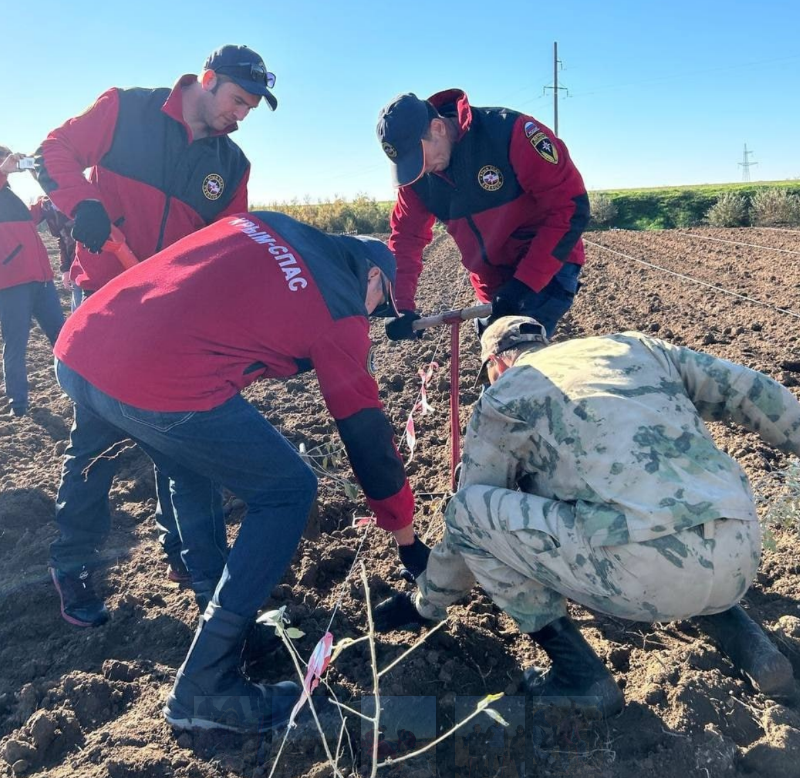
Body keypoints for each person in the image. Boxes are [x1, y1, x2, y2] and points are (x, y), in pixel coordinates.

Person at [49, 210, 431, 732]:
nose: (374, 315)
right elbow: (367, 438)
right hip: (148, 375)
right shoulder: (339, 307)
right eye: (381, 304)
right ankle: (205, 685)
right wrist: (406, 539)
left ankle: (224, 622)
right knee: (288, 489)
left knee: (190, 465)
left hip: (82, 344)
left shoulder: (268, 223)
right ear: (373, 275)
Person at [374, 316, 798, 718]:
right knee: (669, 506)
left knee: (468, 510)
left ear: (496, 364)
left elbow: (470, 522)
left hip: (643, 575)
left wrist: (427, 601)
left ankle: (580, 675)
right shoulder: (636, 348)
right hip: (742, 550)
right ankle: (757, 652)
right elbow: (755, 392)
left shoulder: (506, 394)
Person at [34, 43, 277, 587]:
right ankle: (73, 566)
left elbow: (227, 249)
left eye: (250, 109)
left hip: (168, 317)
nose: (241, 116)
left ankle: (186, 556)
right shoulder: (127, 110)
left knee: (180, 442)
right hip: (103, 301)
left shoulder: (231, 166)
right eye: (238, 101)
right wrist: (84, 204)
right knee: (96, 439)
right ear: (207, 79)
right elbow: (54, 149)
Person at [375, 90, 589, 342]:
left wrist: (522, 286)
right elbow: (406, 239)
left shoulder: (509, 132)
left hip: (545, 265)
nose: (417, 170)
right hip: (491, 283)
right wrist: (400, 306)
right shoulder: (417, 176)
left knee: (515, 351)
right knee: (496, 355)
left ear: (438, 128)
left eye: (417, 157)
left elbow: (570, 207)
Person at [0, 148, 65, 417]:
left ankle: (75, 385)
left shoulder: (10, 196)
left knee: (62, 336)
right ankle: (18, 403)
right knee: (16, 343)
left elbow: (33, 217)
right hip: (12, 283)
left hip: (42, 281)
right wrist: (3, 170)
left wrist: (39, 177)